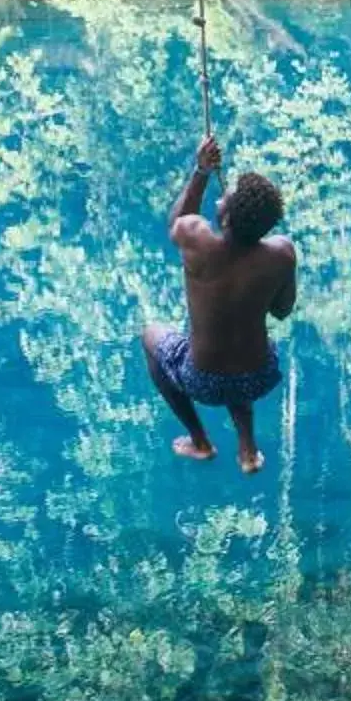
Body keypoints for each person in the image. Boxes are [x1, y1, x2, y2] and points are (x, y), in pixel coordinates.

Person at [141, 133, 296, 472]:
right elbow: (282, 311)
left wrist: (201, 172)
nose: (223, 194)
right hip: (259, 376)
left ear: (226, 219)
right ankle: (248, 451)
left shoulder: (198, 242)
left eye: (229, 195)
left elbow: (178, 223)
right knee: (240, 348)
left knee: (150, 335)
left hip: (203, 381)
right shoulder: (282, 253)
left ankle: (199, 441)